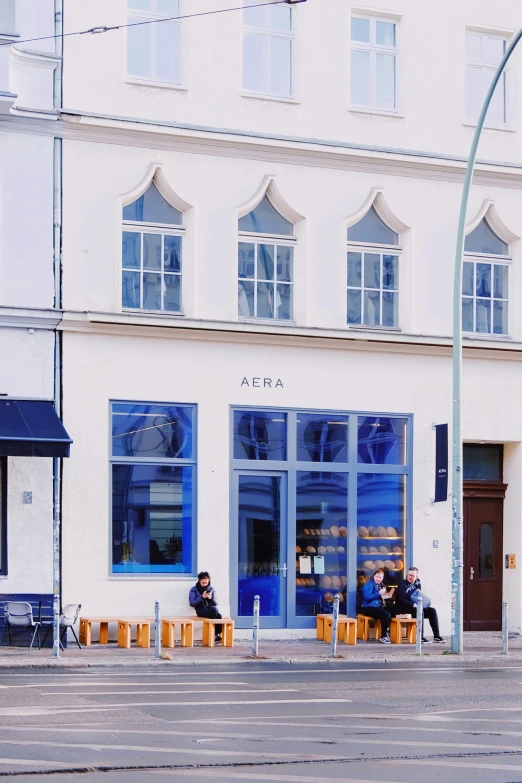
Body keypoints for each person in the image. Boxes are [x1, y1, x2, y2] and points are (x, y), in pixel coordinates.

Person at [395, 566, 444, 643]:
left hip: (415, 607)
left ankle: (436, 636)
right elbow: (402, 600)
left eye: (412, 576)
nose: (410, 577)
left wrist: (425, 603)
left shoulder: (417, 583)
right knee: (420, 611)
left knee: (432, 611)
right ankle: (420, 637)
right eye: (409, 575)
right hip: (404, 608)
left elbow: (419, 595)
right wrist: (413, 605)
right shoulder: (402, 584)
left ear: (416, 576)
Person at [360, 568, 395, 644]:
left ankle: (388, 632)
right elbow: (367, 597)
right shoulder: (369, 584)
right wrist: (379, 593)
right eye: (377, 577)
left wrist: (387, 595)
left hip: (378, 606)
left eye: (380, 577)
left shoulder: (381, 585)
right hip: (368, 607)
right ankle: (383, 636)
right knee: (386, 615)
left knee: (393, 611)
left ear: (382, 578)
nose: (378, 579)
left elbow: (380, 598)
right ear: (374, 576)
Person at [189, 571, 223, 642]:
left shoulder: (211, 589)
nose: (204, 585)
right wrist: (201, 598)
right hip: (200, 610)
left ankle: (215, 634)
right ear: (199, 581)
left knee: (219, 615)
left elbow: (216, 603)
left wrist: (210, 598)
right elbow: (192, 603)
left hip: (210, 608)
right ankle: (214, 635)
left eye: (206, 583)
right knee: (215, 610)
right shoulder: (194, 589)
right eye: (203, 583)